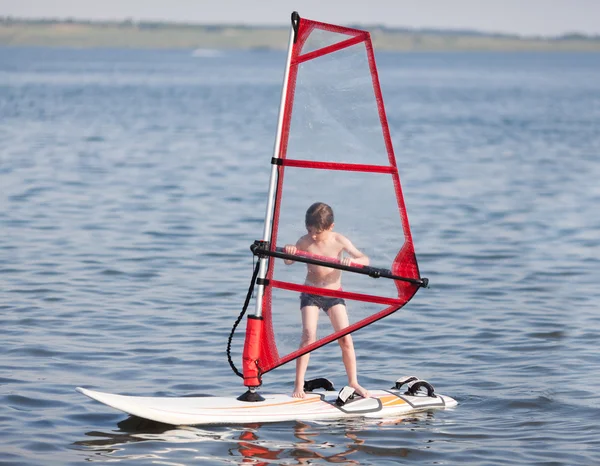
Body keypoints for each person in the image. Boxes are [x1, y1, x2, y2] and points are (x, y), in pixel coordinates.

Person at [284, 202, 370, 399]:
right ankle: (299, 384)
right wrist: (290, 252)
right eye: (310, 231)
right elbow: (289, 261)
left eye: (317, 233)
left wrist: (353, 262)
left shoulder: (339, 240)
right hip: (310, 294)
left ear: (330, 227)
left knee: (345, 338)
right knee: (308, 337)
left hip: (334, 295)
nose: (313, 236)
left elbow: (364, 259)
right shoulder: (304, 241)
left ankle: (353, 382)